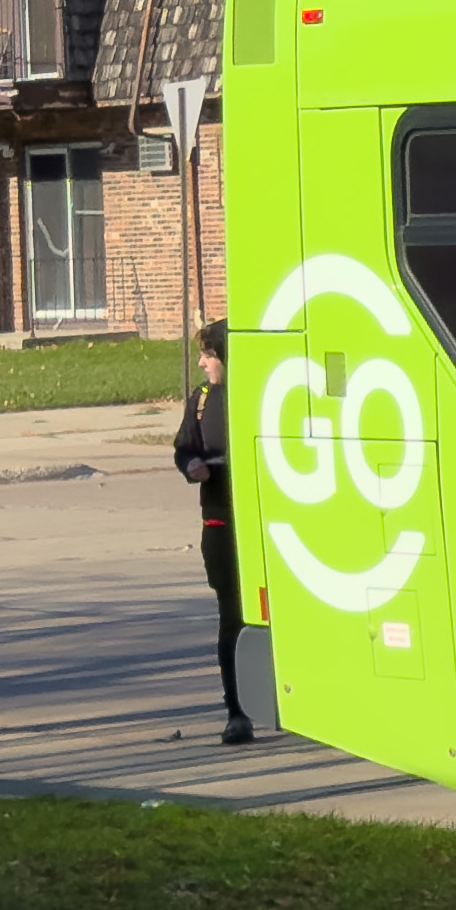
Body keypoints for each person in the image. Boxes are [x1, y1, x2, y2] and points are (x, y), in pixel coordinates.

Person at [173, 318, 249, 745]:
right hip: (220, 526)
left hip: (262, 529)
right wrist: (191, 466)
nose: (202, 363)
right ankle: (237, 711)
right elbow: (185, 447)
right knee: (231, 619)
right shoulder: (201, 401)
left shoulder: (258, 397)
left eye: (209, 355)